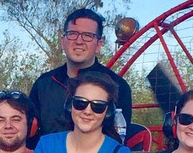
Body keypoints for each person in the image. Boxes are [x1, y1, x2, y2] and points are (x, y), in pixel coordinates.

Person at [28, 8, 132, 140]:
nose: (79, 41)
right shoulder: (43, 84)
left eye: (88, 36)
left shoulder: (118, 86)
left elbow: (120, 139)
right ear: (62, 41)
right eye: (72, 34)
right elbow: (30, 136)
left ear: (98, 45)